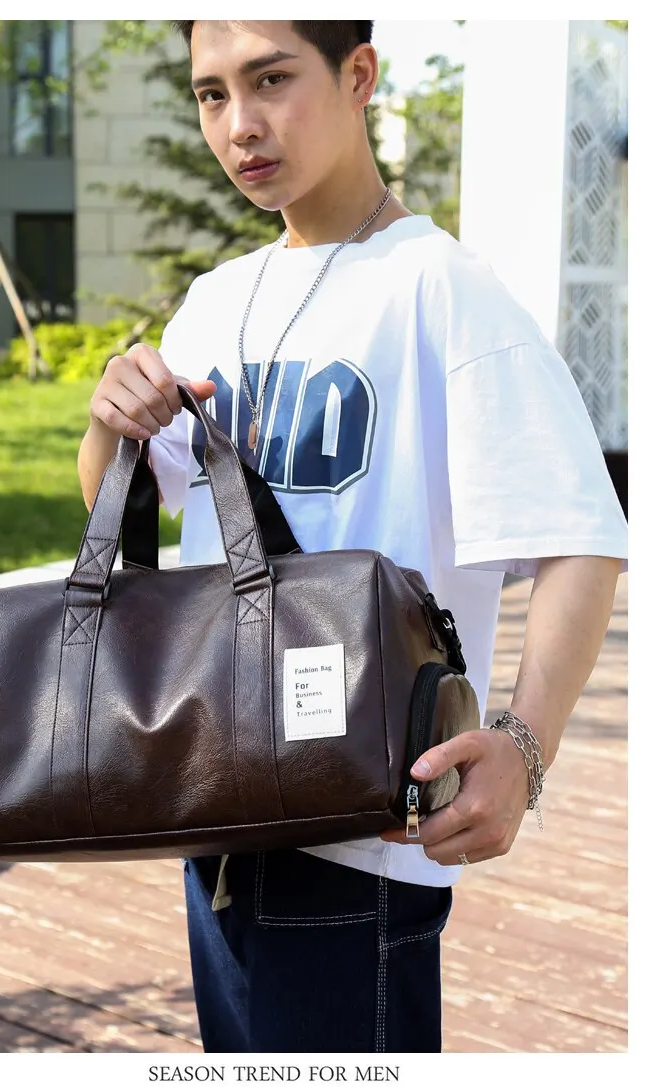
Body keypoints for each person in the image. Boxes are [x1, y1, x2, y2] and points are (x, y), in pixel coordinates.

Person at [77, 20, 627, 1055]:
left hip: (358, 837)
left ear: (358, 74)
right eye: (211, 94)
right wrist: (110, 421)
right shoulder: (216, 300)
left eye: (271, 79)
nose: (240, 124)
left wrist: (522, 747)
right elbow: (126, 501)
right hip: (213, 808)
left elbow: (582, 540)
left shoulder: (442, 289)